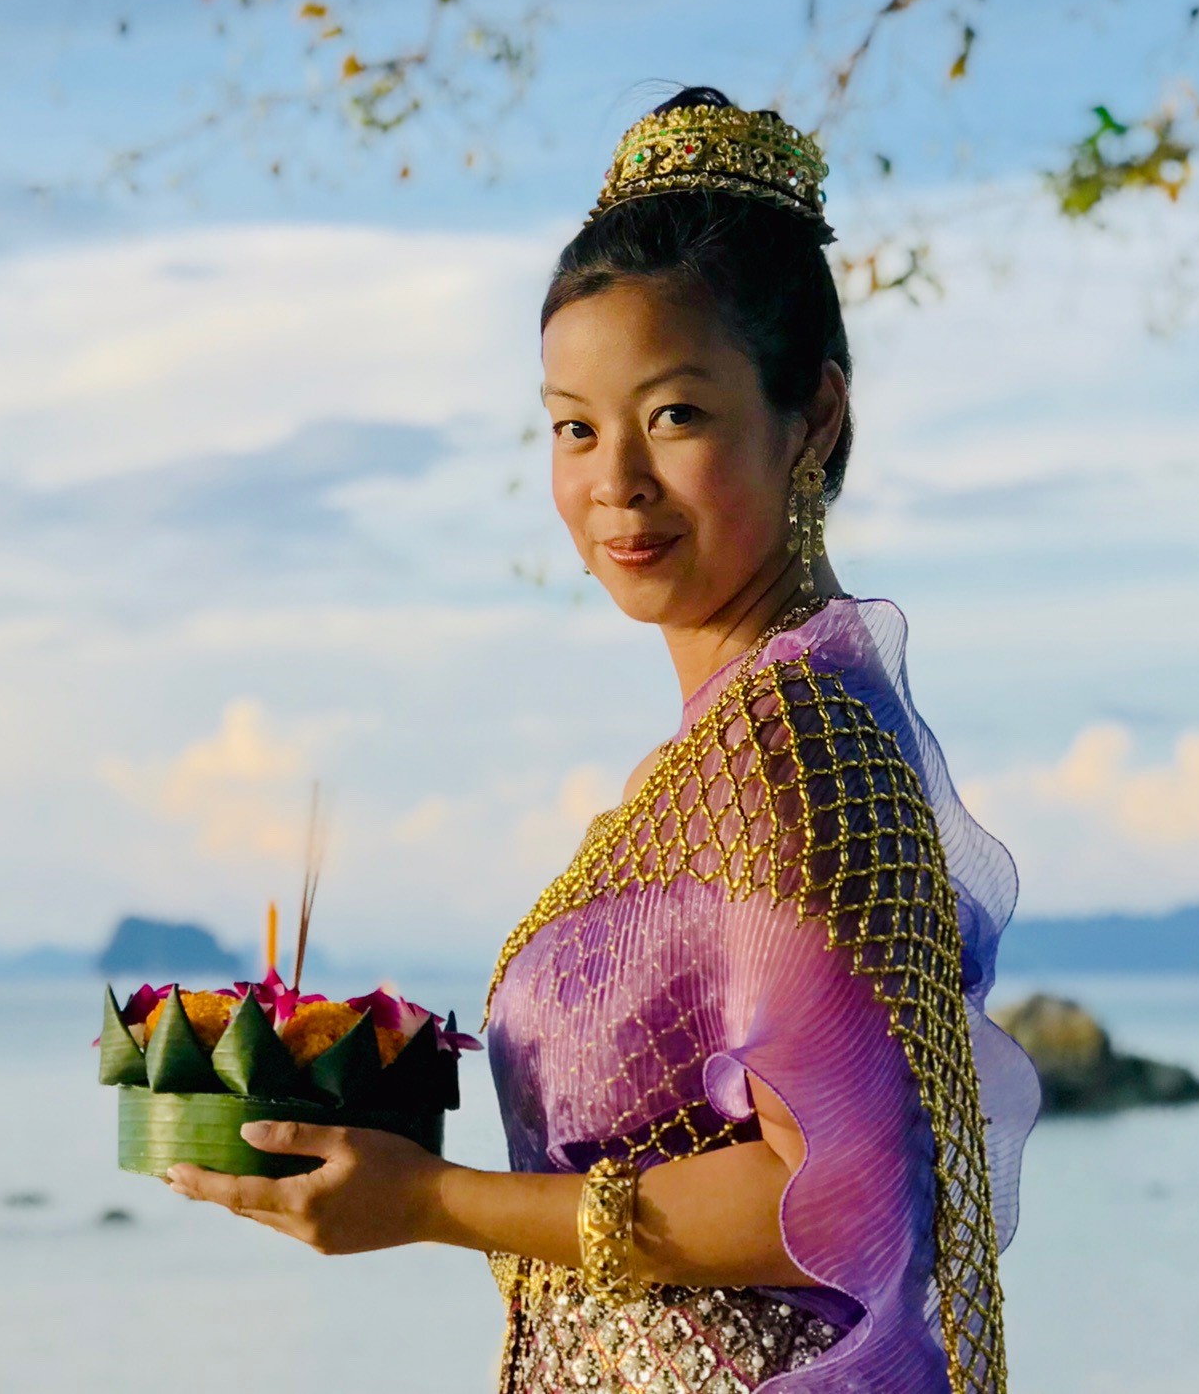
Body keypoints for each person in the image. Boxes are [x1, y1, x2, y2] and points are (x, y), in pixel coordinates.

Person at [165, 87, 1040, 1393]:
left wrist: (435, 1201)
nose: (612, 480)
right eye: (574, 425)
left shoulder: (793, 747)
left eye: (674, 414)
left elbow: (838, 1188)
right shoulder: (722, 752)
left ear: (815, 418)